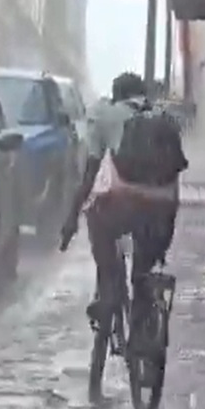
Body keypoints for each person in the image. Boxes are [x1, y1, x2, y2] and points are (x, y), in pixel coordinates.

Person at [60, 72, 189, 356]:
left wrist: (71, 220)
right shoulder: (164, 117)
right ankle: (144, 322)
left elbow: (90, 176)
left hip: (126, 205)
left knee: (98, 215)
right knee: (144, 270)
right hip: (163, 207)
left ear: (117, 95)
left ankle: (108, 287)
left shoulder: (105, 114)